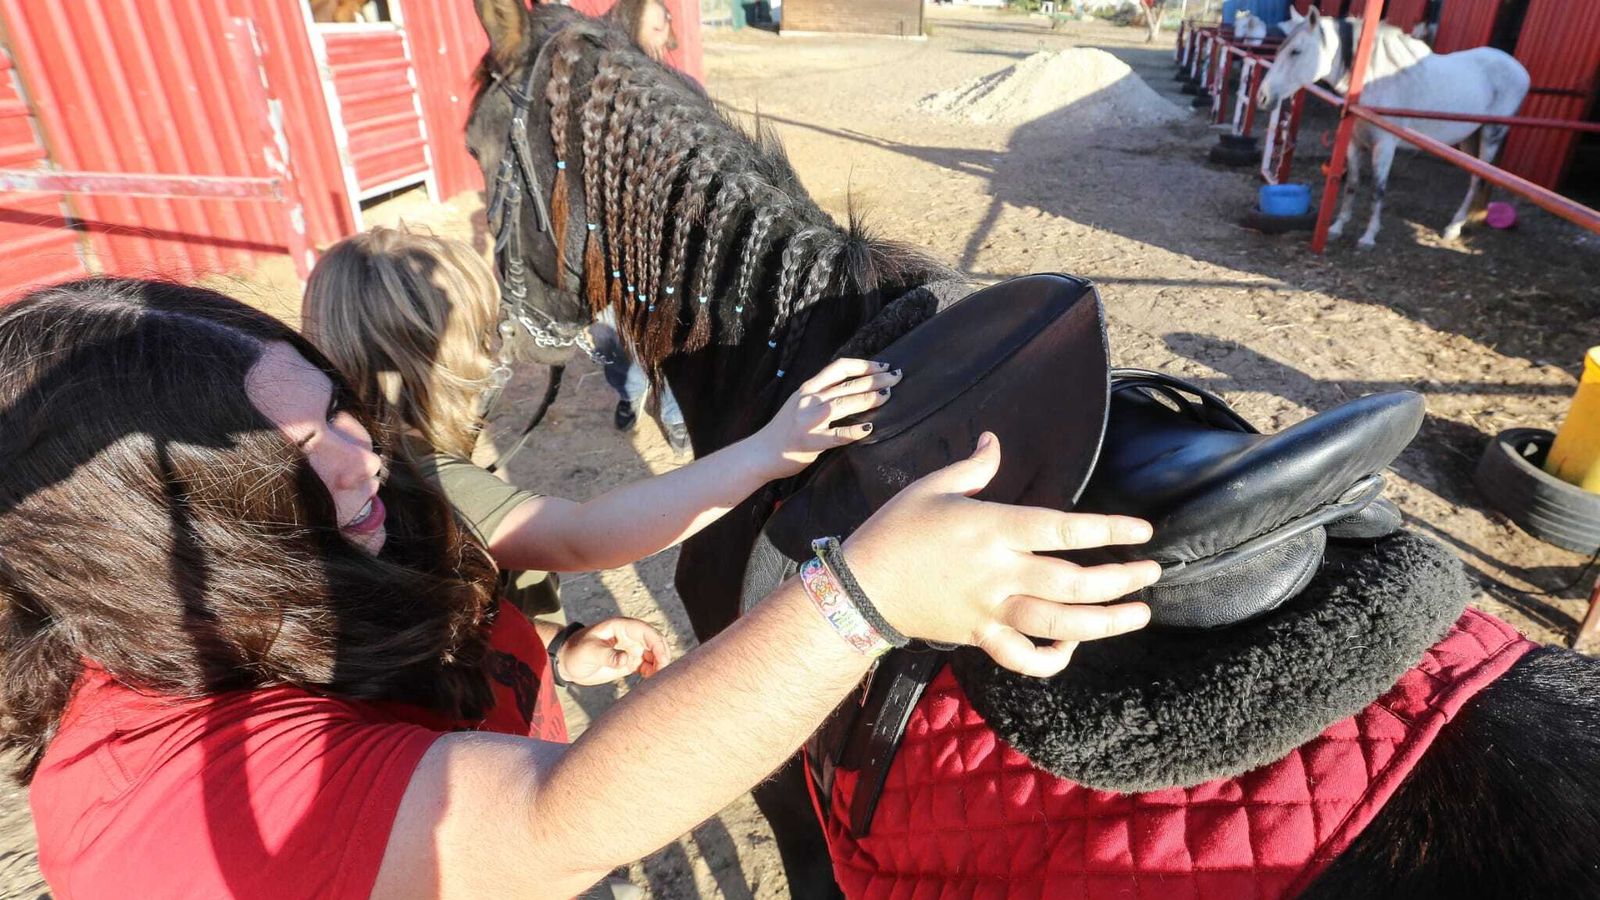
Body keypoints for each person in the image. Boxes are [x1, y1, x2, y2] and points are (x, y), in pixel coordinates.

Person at [2, 277, 1159, 899]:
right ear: (162, 536)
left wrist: (764, 453)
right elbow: (551, 824)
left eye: (338, 407)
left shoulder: (368, 496)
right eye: (297, 458)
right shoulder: (173, 787)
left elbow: (574, 531)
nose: (363, 455)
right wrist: (858, 602)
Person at [301, 227, 895, 657]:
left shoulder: (347, 461)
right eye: (485, 335)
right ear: (450, 356)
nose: (497, 351)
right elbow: (582, 537)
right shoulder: (420, 475)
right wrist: (770, 450)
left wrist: (556, 648)